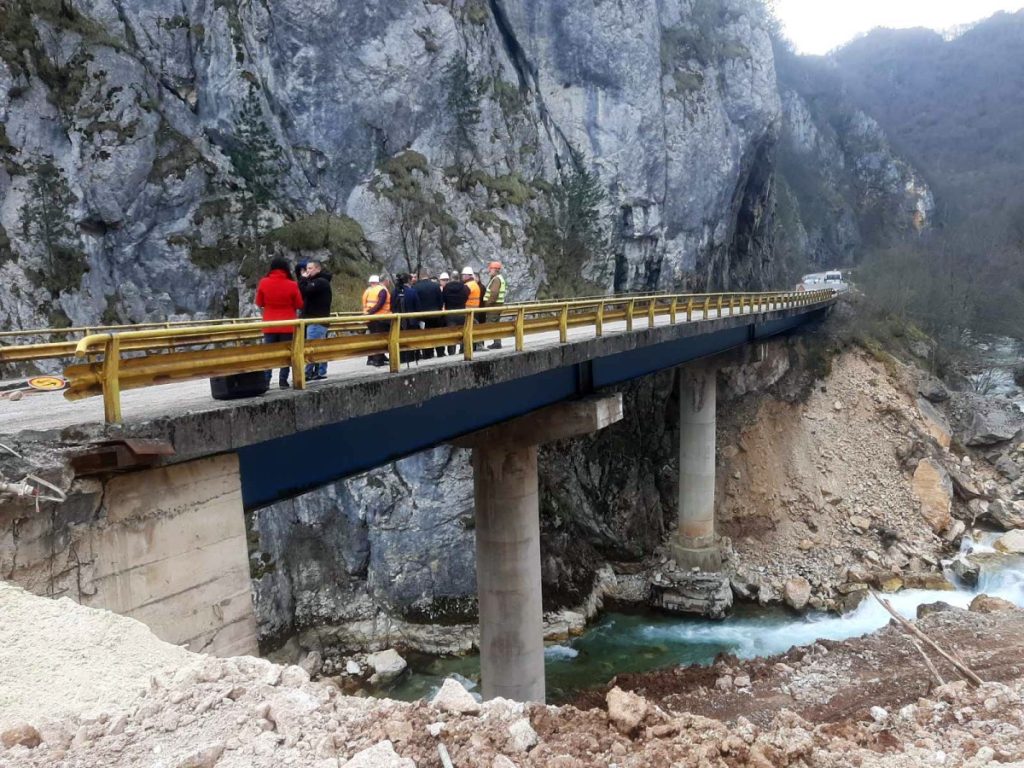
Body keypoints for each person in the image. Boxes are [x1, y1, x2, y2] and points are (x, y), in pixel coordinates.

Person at [255, 256, 303, 388]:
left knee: (268, 354)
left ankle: (266, 381)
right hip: (287, 325)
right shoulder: (292, 284)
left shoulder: (264, 282)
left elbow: (259, 302)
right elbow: (299, 304)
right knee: (287, 353)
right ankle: (283, 380)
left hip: (269, 324)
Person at [298, 260, 333, 380]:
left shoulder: (320, 282)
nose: (308, 271)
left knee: (311, 347)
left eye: (310, 268)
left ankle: (308, 373)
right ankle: (319, 372)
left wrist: (302, 279)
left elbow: (304, 290)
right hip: (313, 320)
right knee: (318, 347)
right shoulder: (314, 282)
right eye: (307, 268)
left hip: (316, 320)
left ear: (318, 269)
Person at [414, 271, 445, 358]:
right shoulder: (435, 286)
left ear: (419, 277)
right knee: (437, 334)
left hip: (423, 316)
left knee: (425, 335)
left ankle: (428, 353)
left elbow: (416, 303)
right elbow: (440, 301)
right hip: (435, 315)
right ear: (427, 276)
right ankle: (440, 352)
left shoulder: (416, 287)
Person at [362, 274, 391, 367]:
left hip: (370, 318)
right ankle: (378, 360)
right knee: (379, 339)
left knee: (373, 338)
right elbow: (380, 304)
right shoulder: (381, 290)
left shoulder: (368, 290)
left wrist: (368, 314)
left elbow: (366, 304)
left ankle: (373, 358)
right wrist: (371, 313)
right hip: (380, 318)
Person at [441, 271, 468, 355]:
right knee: (463, 332)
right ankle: (463, 350)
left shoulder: (446, 287)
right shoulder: (464, 287)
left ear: (451, 278)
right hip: (462, 312)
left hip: (450, 313)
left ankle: (451, 352)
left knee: (451, 333)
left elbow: (443, 299)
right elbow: (466, 296)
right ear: (458, 278)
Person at [483, 260, 507, 349]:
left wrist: (487, 304)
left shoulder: (496, 279)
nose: (489, 270)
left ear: (495, 270)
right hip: (497, 306)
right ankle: (497, 342)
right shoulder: (499, 278)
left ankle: (496, 342)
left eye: (491, 269)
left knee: (491, 324)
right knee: (495, 324)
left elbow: (494, 294)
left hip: (493, 306)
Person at [462, 266, 484, 352]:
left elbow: (463, 297)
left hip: (468, 311)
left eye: (464, 275)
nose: (462, 276)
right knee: (474, 328)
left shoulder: (468, 285)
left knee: (468, 330)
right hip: (475, 310)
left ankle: (468, 348)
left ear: (468, 275)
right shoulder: (475, 284)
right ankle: (477, 346)